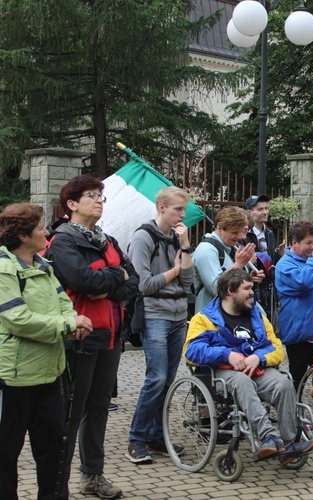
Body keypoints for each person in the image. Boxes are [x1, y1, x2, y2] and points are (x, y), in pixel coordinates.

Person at [45, 175, 139, 499]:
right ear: (71, 204)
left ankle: (92, 476)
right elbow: (84, 281)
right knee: (72, 412)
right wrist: (114, 277)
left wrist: (109, 282)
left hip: (111, 336)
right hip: (80, 337)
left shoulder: (107, 240)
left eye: (101, 196)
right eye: (91, 195)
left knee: (98, 407)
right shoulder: (63, 241)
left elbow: (134, 281)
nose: (99, 200)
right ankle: (58, 485)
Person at [0, 204, 93, 500]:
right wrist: (67, 323)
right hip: (14, 380)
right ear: (23, 236)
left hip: (51, 375)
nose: (47, 232)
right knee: (5, 456)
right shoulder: (4, 269)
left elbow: (64, 302)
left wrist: (73, 321)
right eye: (41, 227)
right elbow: (17, 320)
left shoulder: (43, 265)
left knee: (54, 453)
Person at [183, 269, 313, 464]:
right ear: (230, 291)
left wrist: (259, 358)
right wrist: (226, 354)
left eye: (252, 288)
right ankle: (269, 436)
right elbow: (191, 351)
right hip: (222, 372)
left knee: (284, 383)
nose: (253, 292)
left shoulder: (257, 317)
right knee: (242, 382)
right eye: (247, 288)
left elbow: (277, 348)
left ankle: (289, 444)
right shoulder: (204, 319)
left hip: (256, 368)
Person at [126, 187, 195, 464]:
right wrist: (175, 270)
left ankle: (156, 437)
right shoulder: (143, 237)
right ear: (162, 206)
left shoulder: (176, 237)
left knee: (166, 381)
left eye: (183, 210)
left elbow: (189, 281)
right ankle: (136, 439)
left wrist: (186, 245)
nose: (182, 215)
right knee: (155, 379)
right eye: (178, 209)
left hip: (179, 315)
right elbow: (144, 285)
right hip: (155, 315)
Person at [275, 222, 313, 388]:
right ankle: (292, 406)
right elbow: (303, 283)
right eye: (308, 243)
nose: (312, 247)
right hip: (298, 330)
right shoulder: (285, 265)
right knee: (298, 374)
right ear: (294, 243)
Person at [192, 206, 257, 312]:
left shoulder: (227, 246)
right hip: (214, 318)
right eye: (234, 232)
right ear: (219, 228)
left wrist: (249, 278)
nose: (238, 236)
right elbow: (216, 287)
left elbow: (232, 282)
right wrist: (239, 264)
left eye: (240, 232)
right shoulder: (207, 250)